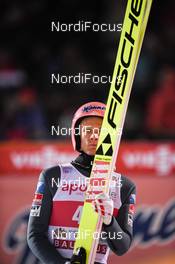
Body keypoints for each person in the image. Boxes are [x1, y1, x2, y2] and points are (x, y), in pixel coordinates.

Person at [27, 101, 136, 264]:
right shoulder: (53, 176)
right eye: (88, 130)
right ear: (77, 135)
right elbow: (34, 235)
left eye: (100, 130)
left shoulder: (124, 186)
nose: (93, 136)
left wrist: (109, 221)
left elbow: (122, 246)